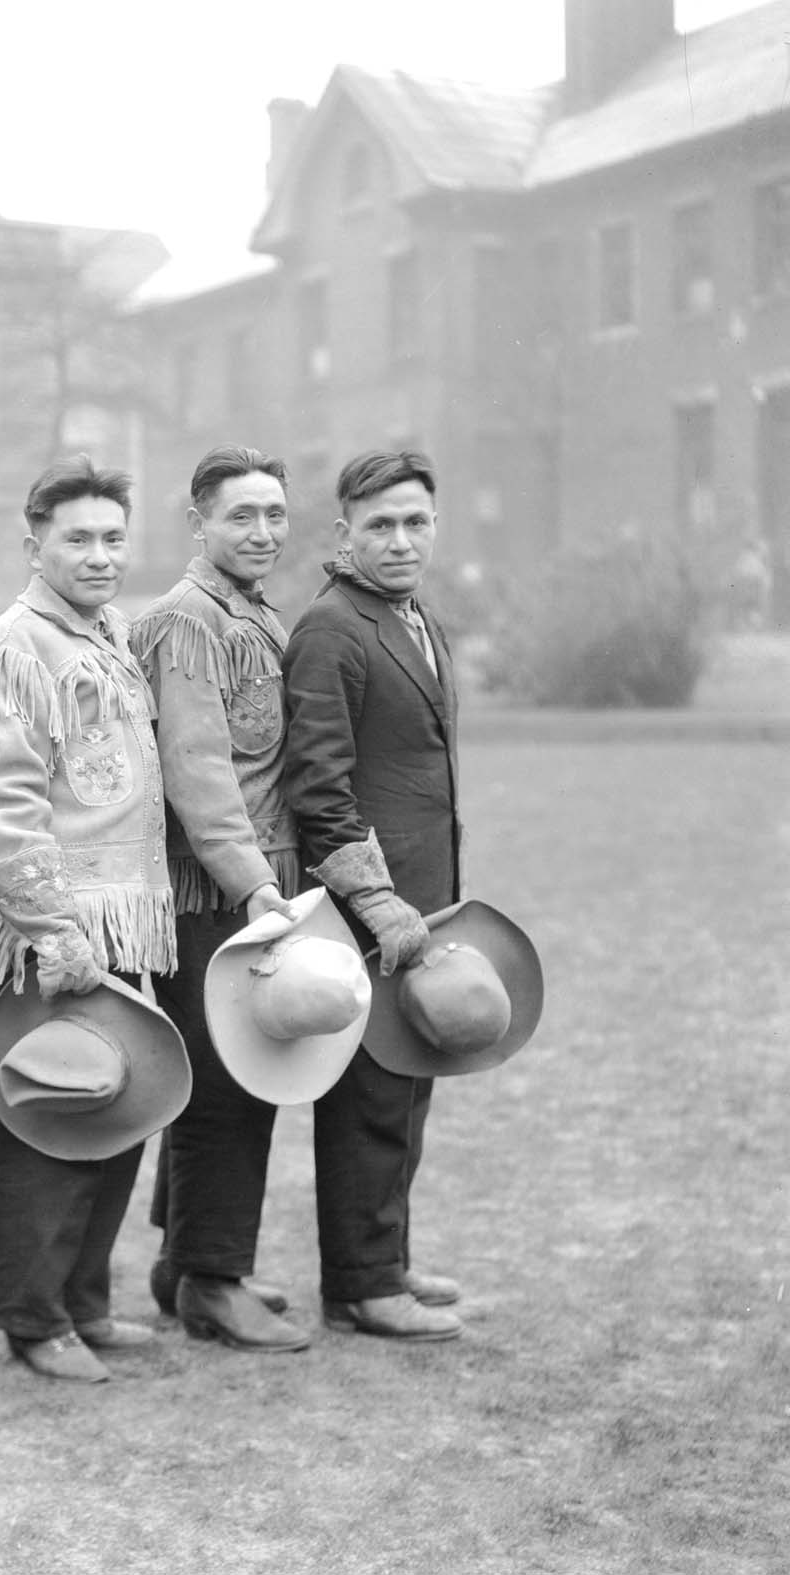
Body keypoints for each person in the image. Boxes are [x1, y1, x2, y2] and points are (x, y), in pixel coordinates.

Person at [0, 454, 174, 1384]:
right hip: (58, 936)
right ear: (32, 542)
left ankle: (85, 1300)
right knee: (55, 1114)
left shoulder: (106, 634)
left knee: (116, 1105)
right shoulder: (11, 646)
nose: (99, 554)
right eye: (77, 537)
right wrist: (53, 930)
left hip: (122, 923)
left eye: (113, 537)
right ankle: (35, 1319)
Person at [282, 449, 466, 1342]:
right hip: (372, 907)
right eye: (381, 524)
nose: (400, 540)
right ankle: (359, 1284)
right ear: (343, 532)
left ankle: (386, 1260)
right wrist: (382, 903)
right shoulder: (333, 627)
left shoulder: (413, 614)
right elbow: (320, 787)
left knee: (411, 1084)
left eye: (416, 522)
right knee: (370, 1096)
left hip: (430, 898)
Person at [130, 445, 309, 1354]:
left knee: (233, 1076)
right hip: (218, 893)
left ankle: (182, 1264)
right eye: (243, 515)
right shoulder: (188, 621)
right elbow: (199, 776)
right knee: (232, 1084)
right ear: (197, 522)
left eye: (276, 514)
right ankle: (211, 1280)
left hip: (257, 885)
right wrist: (260, 891)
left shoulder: (253, 614)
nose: (265, 531)